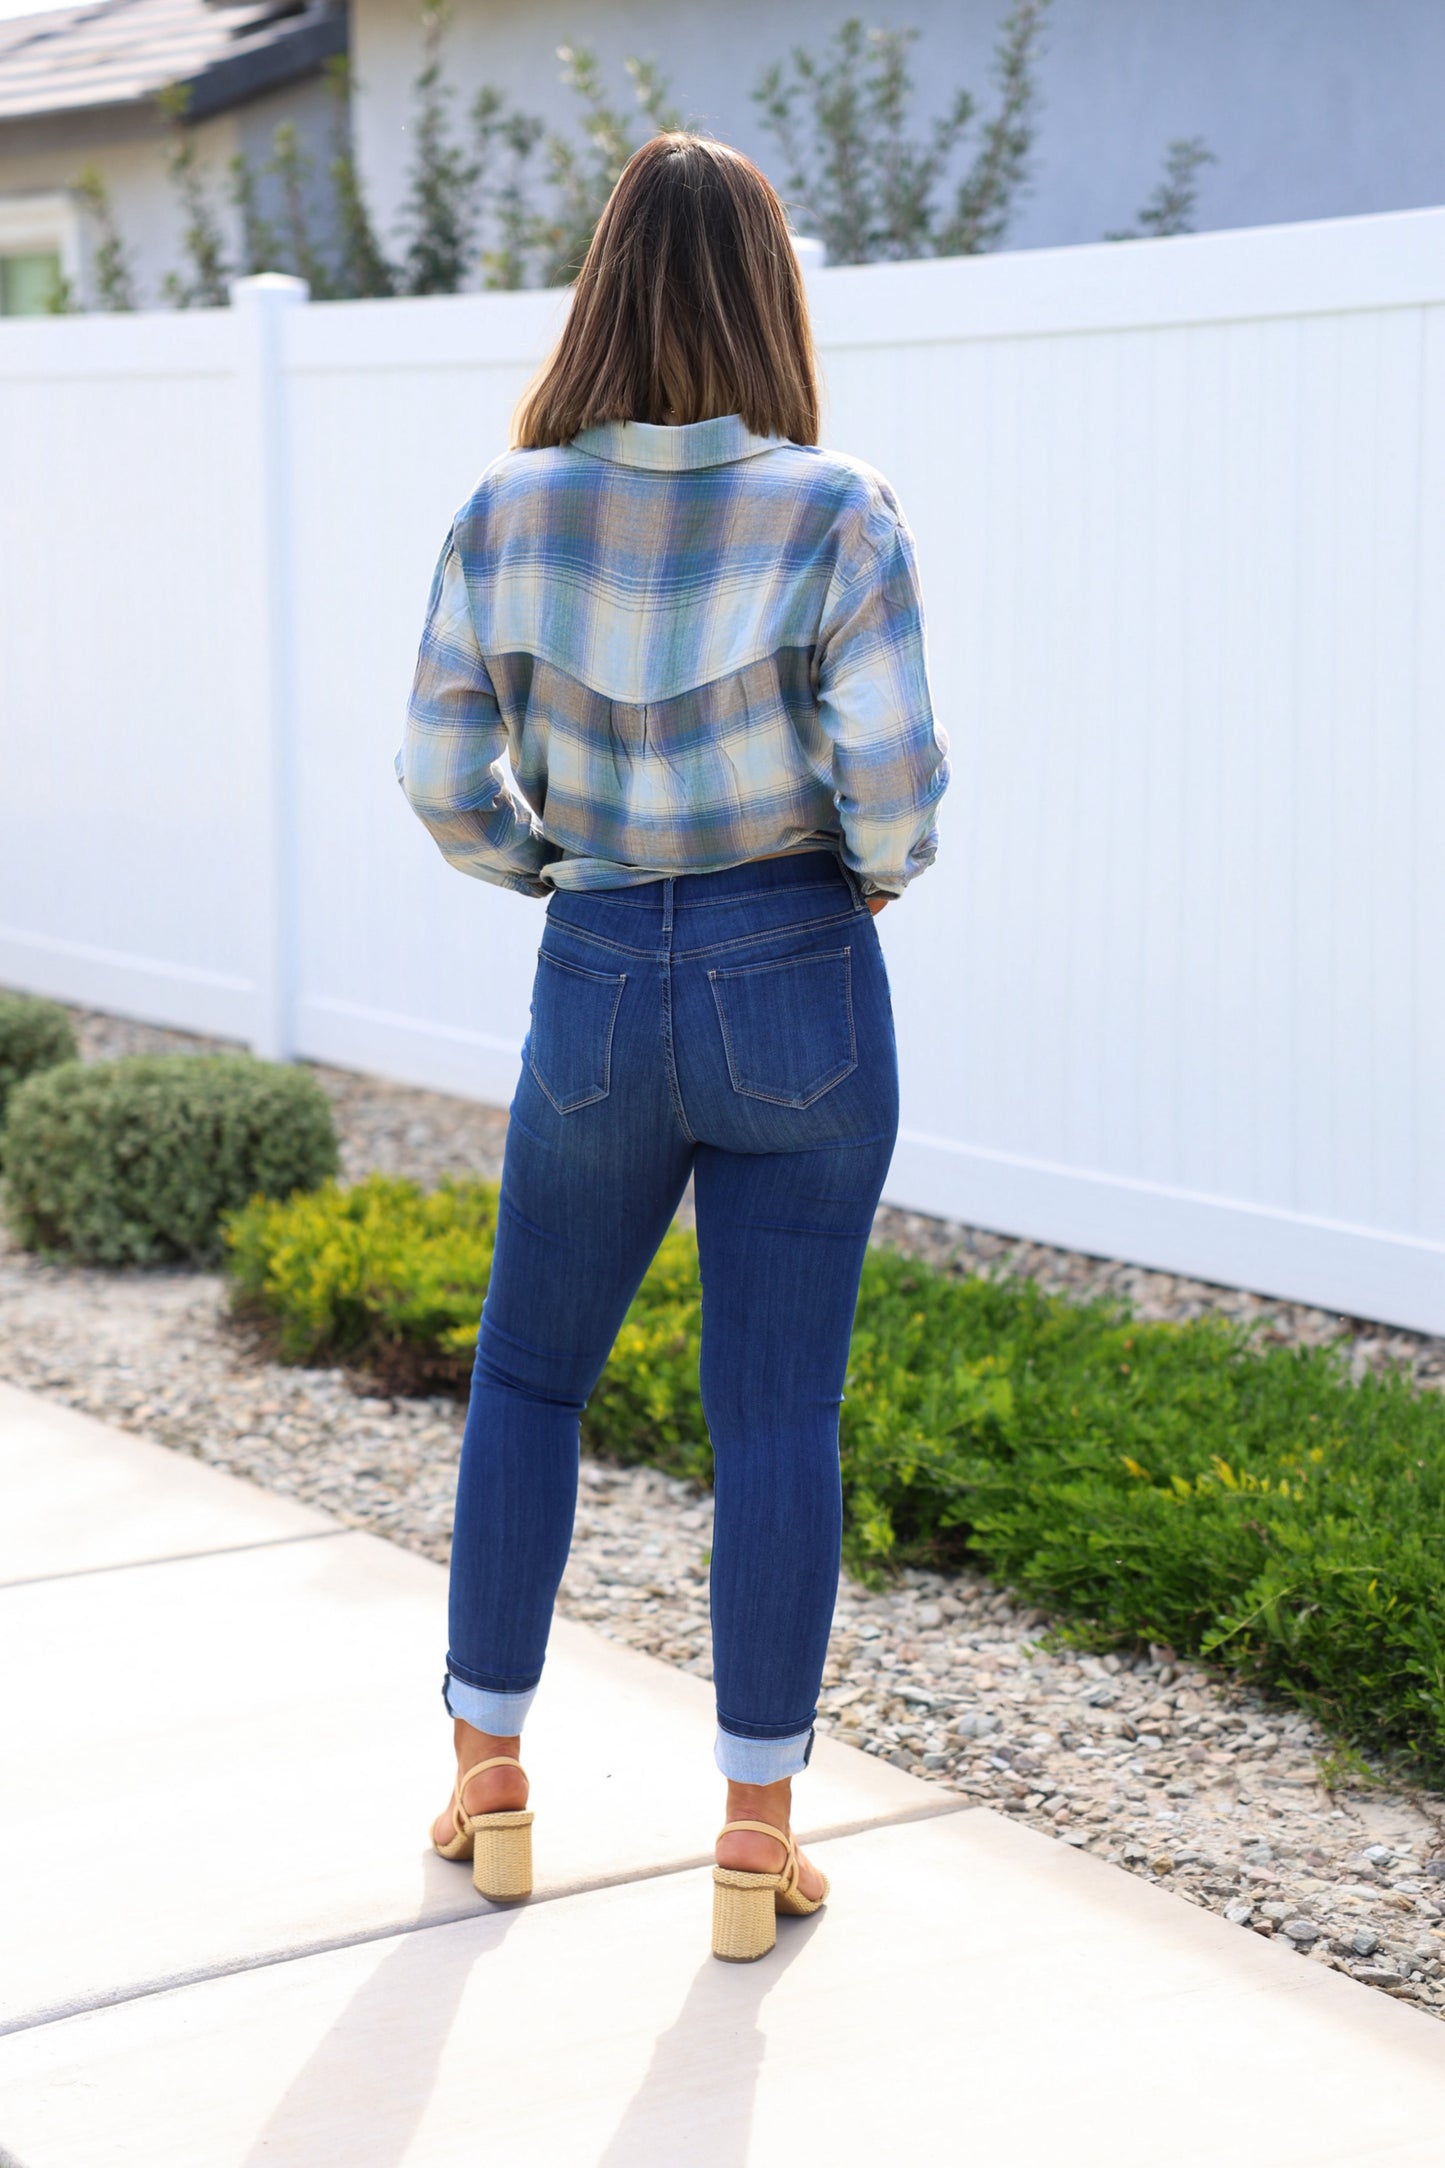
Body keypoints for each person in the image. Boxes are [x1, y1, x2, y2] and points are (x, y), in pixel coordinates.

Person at [396, 131, 949, 1962]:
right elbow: (889, 781)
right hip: (793, 955)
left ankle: (486, 1777)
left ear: (603, 284)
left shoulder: (508, 507)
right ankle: (752, 1832)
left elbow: (431, 773)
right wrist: (864, 882)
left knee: (531, 1379)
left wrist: (548, 864)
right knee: (773, 1407)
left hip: (598, 971)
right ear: (765, 289)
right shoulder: (837, 506)